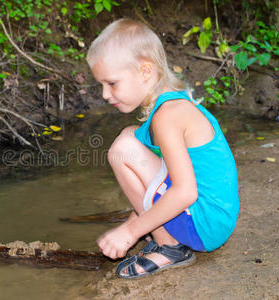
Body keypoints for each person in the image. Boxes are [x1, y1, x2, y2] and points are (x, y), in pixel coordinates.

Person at [86, 18, 239, 279]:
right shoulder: (172, 104)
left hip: (205, 224)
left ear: (145, 72)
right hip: (214, 217)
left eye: (111, 83)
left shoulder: (167, 116)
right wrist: (135, 221)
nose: (104, 94)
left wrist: (130, 233)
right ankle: (157, 229)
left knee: (123, 148)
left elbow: (185, 191)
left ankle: (169, 248)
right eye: (101, 85)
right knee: (129, 137)